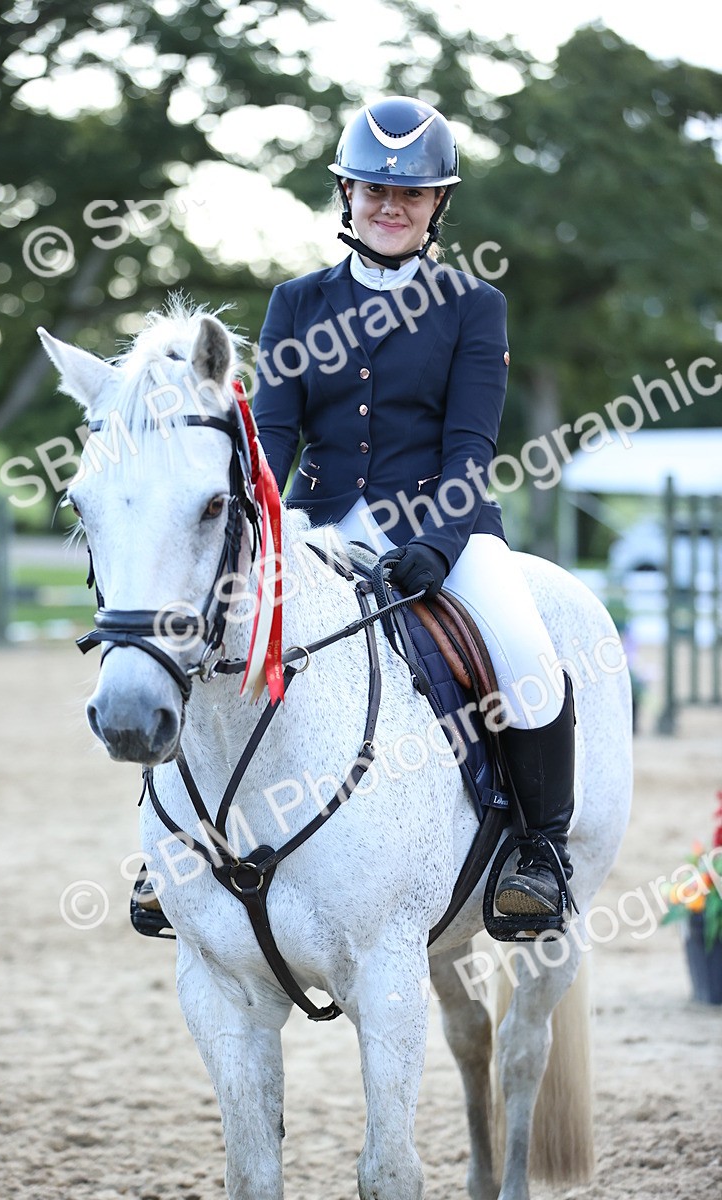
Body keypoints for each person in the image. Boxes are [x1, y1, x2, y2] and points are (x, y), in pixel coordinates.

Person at [251, 96, 576, 920]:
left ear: (438, 205)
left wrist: (438, 541)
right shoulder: (297, 302)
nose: (390, 206)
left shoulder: (473, 306)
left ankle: (539, 852)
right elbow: (273, 436)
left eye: (412, 194)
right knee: (215, 638)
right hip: (316, 526)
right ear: (347, 197)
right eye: (372, 190)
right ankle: (181, 841)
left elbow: (472, 444)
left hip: (443, 524)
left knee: (528, 658)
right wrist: (256, 532)